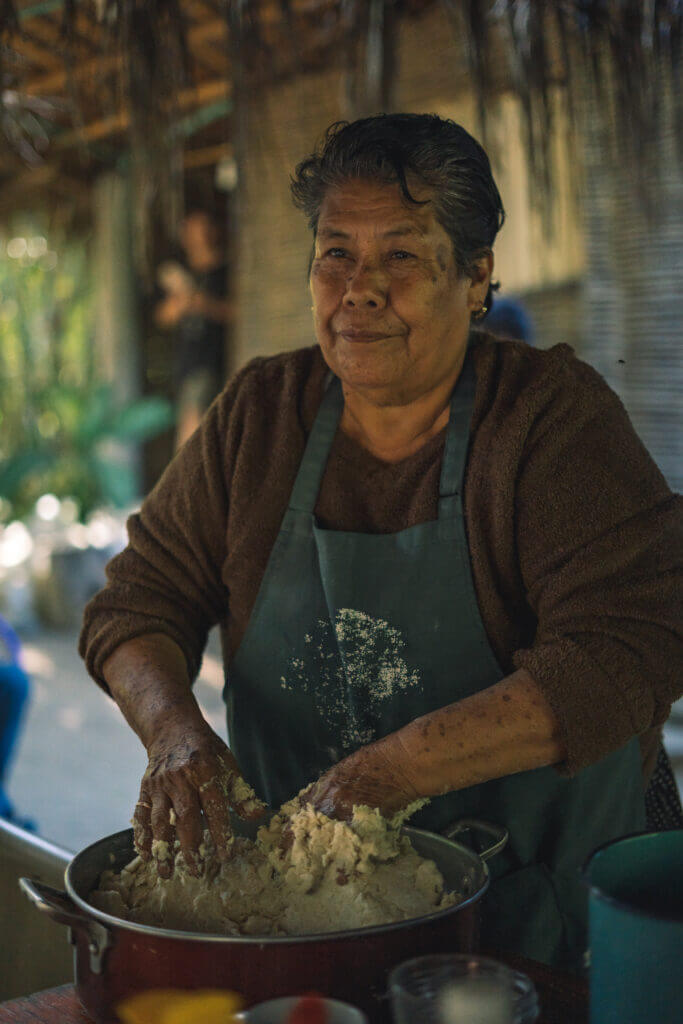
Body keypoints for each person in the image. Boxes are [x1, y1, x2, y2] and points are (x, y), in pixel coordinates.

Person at [79, 114, 683, 971]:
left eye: (400, 254)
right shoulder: (260, 414)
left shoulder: (551, 421)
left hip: (538, 923)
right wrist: (175, 735)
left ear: (476, 279)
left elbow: (628, 652)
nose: (359, 288)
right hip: (303, 919)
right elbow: (138, 602)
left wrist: (379, 778)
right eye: (335, 254)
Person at [154, 208, 234, 448]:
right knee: (193, 436)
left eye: (201, 229)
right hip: (189, 366)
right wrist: (180, 303)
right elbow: (162, 316)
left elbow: (238, 311)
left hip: (214, 362)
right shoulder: (181, 272)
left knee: (194, 438)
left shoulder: (225, 271)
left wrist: (203, 304)